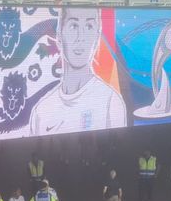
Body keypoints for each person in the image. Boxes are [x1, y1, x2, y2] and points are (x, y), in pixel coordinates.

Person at [28, 7, 127, 136]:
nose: (81, 37)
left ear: (97, 37)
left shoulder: (111, 102)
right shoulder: (41, 112)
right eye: (74, 26)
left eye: (89, 26)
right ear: (59, 36)